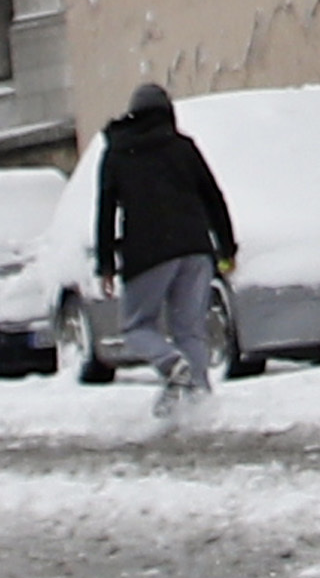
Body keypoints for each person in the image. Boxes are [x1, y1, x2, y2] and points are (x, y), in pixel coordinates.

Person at [87, 82, 236, 397]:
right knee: (189, 330)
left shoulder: (117, 151)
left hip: (148, 254)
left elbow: (105, 211)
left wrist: (106, 265)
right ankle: (198, 398)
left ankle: (170, 364)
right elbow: (213, 197)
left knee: (136, 327)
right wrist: (226, 247)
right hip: (195, 249)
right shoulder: (183, 147)